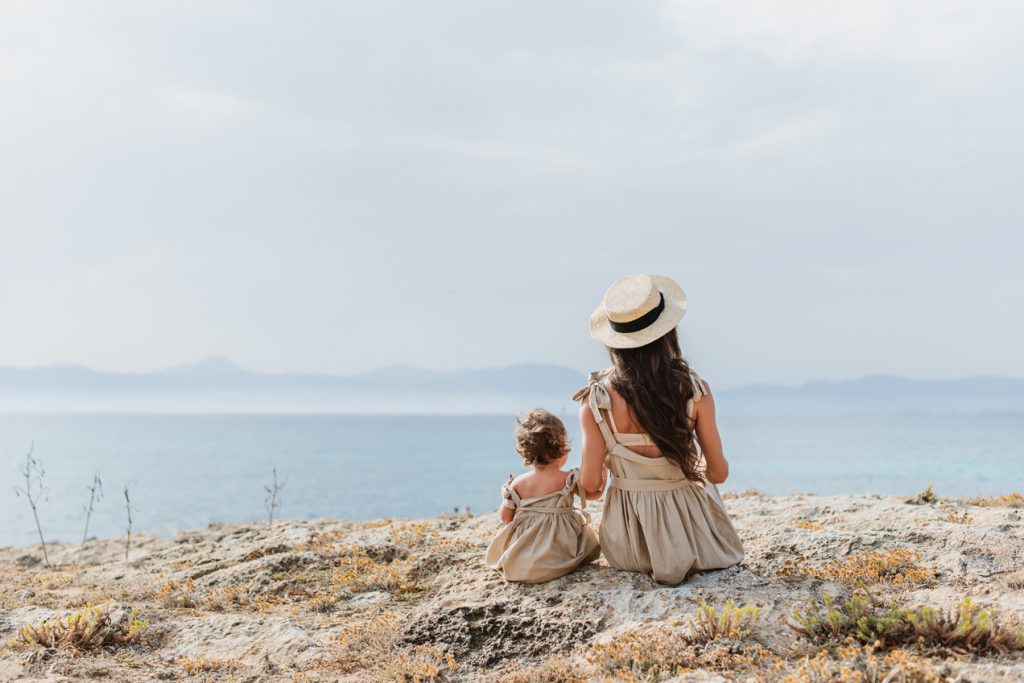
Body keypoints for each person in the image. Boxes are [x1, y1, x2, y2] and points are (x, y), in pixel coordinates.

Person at [574, 274, 744, 585]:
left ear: (615, 342)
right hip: (698, 542)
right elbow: (718, 474)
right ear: (668, 332)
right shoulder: (695, 391)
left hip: (631, 548)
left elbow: (590, 487)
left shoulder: (596, 402)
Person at [485, 409, 600, 583]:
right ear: (562, 448)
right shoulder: (567, 478)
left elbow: (506, 518)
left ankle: (525, 565)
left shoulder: (518, 483)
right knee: (587, 543)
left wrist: (507, 496)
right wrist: (603, 469)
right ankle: (561, 563)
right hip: (559, 555)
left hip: (524, 558)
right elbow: (594, 494)